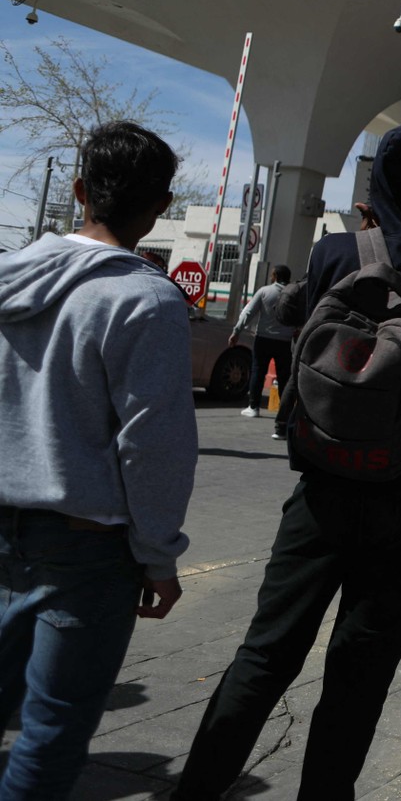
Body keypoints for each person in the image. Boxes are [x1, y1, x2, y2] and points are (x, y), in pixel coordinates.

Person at [174, 122, 401, 800]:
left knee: (264, 653)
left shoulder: (336, 253)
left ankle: (196, 790)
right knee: (359, 674)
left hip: (322, 490)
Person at [0, 121, 197, 799]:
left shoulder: (6, 277)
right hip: (84, 548)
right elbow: (153, 445)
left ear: (80, 189)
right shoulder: (146, 300)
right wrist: (159, 555)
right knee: (51, 730)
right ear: (161, 206)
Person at [231, 264, 295, 420]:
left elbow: (248, 313)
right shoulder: (293, 293)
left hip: (263, 339)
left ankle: (253, 407)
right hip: (285, 342)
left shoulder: (265, 291)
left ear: (275, 276)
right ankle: (284, 410)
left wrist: (236, 331)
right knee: (284, 376)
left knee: (258, 372)